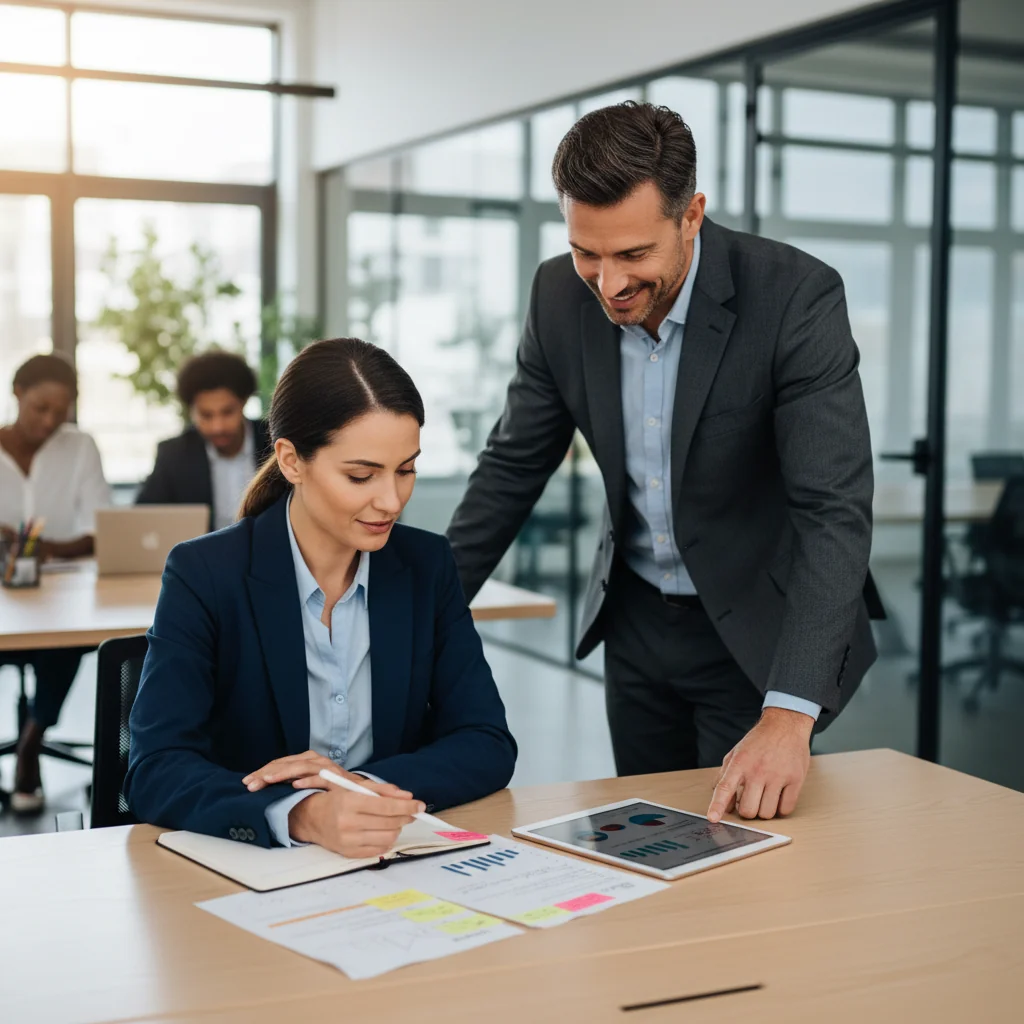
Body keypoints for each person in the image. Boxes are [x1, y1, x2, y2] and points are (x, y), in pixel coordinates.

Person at [447, 102, 880, 824]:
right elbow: (512, 466)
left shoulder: (793, 297)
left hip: (755, 633)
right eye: (588, 252)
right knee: (645, 836)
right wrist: (421, 608)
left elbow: (832, 512)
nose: (608, 283)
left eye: (633, 254)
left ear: (691, 216)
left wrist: (789, 713)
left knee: (742, 852)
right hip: (636, 625)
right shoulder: (557, 296)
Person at [126, 338, 517, 852]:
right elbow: (156, 769)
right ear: (291, 461)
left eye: (406, 470)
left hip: (390, 856)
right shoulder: (205, 574)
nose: (391, 500)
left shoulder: (426, 565)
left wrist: (359, 791)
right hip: (255, 867)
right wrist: (302, 813)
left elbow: (486, 741)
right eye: (361, 475)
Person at [0, 353, 111, 813]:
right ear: (17, 394)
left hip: (62, 594)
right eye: (39, 407)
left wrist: (47, 549)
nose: (49, 421)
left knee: (66, 640)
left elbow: (100, 530)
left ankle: (32, 739)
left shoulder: (79, 447)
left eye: (60, 411)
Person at [136, 351, 270, 532]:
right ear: (192, 411)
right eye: (206, 415)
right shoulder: (174, 455)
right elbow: (141, 519)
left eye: (227, 412)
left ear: (244, 402)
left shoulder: (275, 442)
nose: (218, 427)